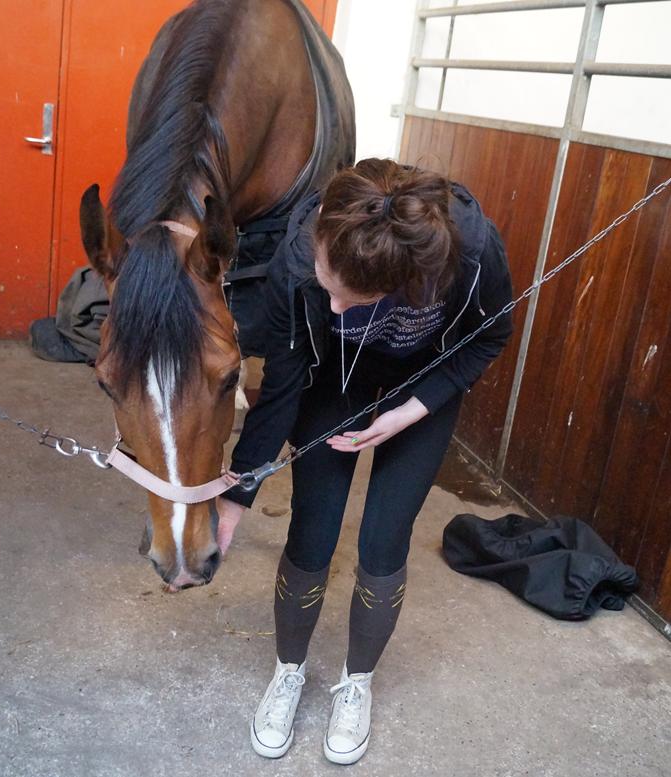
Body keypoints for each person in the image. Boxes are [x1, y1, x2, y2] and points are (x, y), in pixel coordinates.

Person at [216, 157, 514, 765]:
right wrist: (235, 496)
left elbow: (490, 335)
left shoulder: (473, 253)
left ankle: (357, 683)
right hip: (333, 384)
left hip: (420, 390)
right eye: (321, 281)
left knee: (384, 538)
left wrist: (412, 411)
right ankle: (290, 671)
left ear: (393, 291)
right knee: (313, 527)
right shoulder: (301, 257)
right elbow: (283, 382)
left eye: (339, 297)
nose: (325, 303)